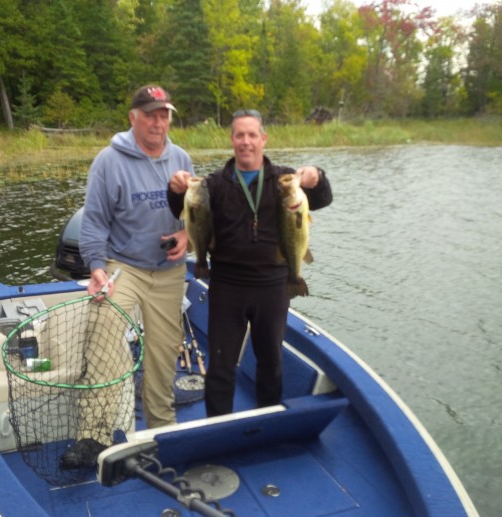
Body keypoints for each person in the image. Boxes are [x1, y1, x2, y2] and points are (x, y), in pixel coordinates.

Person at [167, 109, 332, 417]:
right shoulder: (214, 184)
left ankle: (266, 422)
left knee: (271, 362)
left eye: (252, 135)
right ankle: (218, 426)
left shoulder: (284, 180)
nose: (246, 141)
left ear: (263, 139)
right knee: (221, 365)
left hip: (273, 286)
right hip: (227, 286)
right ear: (232, 140)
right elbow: (186, 209)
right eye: (240, 135)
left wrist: (317, 176)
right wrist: (175, 191)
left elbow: (322, 199)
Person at [62, 85, 192, 468]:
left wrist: (188, 235)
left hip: (169, 271)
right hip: (124, 266)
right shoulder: (108, 161)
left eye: (164, 114)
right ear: (133, 117)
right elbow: (94, 222)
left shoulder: (181, 158)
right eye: (150, 114)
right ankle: (93, 436)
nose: (158, 122)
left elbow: (195, 213)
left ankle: (161, 429)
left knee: (164, 352)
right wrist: (96, 268)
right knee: (102, 328)